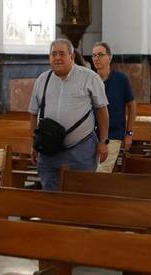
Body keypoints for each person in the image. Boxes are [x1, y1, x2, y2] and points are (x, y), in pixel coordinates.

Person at [29, 39, 109, 190]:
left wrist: (104, 141)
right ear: (49, 58)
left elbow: (102, 110)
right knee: (50, 196)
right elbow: (33, 113)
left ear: (71, 56)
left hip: (81, 149)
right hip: (49, 151)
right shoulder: (42, 80)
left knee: (81, 195)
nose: (57, 58)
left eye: (62, 54)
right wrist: (34, 143)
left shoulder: (89, 77)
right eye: (53, 54)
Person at [91, 42, 134, 174]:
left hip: (113, 135)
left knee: (101, 172)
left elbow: (131, 106)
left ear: (109, 57)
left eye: (100, 55)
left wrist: (129, 133)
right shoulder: (90, 79)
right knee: (89, 172)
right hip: (91, 136)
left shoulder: (121, 79)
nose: (96, 58)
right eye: (94, 55)